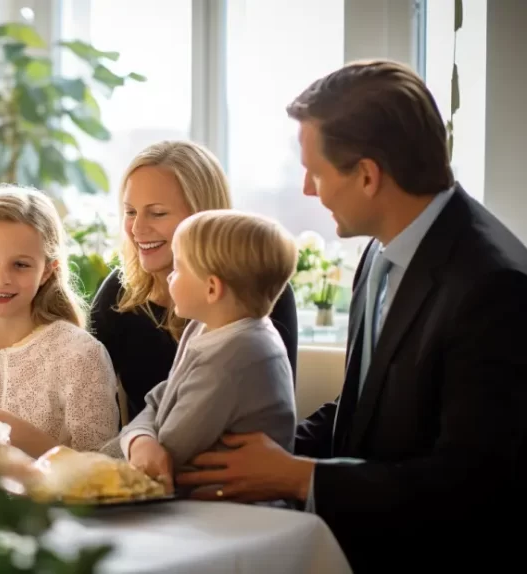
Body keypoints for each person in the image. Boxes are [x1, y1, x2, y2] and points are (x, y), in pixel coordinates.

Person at [175, 59, 527, 571]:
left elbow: (470, 483)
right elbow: (366, 404)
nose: (307, 191)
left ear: (367, 175)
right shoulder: (381, 251)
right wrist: (260, 451)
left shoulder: (494, 286)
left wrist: (299, 478)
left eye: (315, 172)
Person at [90, 141, 298, 423]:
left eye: (158, 212)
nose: (137, 229)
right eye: (130, 212)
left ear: (203, 216)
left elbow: (271, 410)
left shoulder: (261, 289)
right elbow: (92, 401)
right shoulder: (120, 290)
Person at [117, 210, 297, 494]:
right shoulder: (202, 327)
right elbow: (157, 402)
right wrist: (139, 440)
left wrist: (138, 441)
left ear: (212, 289)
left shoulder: (238, 359)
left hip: (232, 515)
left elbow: (167, 450)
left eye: (177, 268)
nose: (169, 277)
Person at [0, 184, 119, 457]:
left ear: (46, 271)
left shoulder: (79, 354)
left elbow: (102, 469)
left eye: (20, 264)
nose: (1, 278)